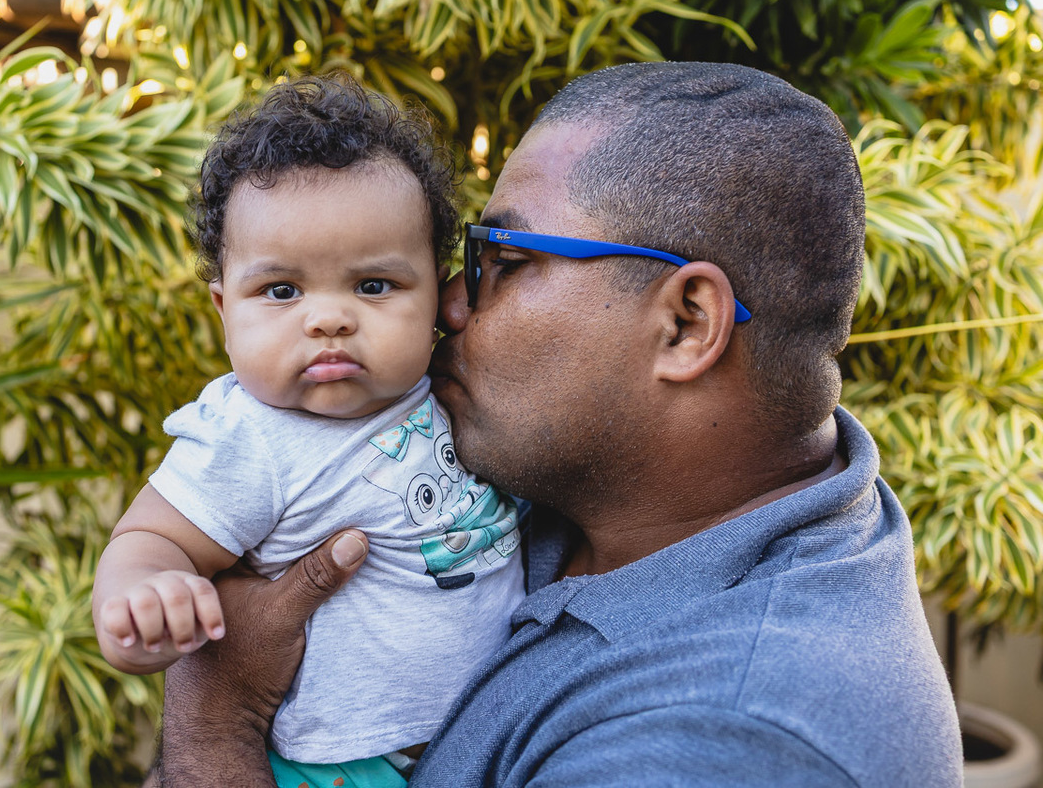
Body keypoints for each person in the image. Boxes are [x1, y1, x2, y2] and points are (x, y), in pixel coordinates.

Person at [157, 62, 963, 787]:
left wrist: (216, 724)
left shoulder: (726, 738)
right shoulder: (590, 484)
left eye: (503, 261)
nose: (449, 304)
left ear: (685, 324)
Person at [90, 75, 525, 787]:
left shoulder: (448, 386)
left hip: (483, 738)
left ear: (440, 294)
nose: (328, 318)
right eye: (282, 291)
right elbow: (151, 538)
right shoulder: (246, 435)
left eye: (374, 286)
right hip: (343, 767)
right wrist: (143, 599)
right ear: (224, 309)